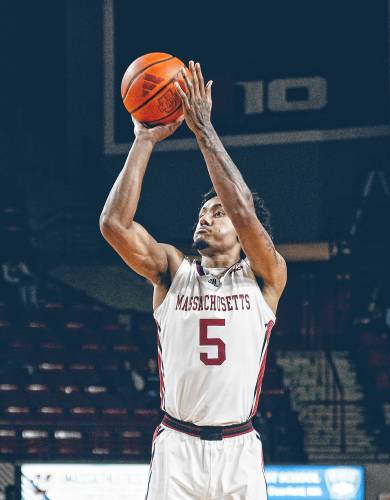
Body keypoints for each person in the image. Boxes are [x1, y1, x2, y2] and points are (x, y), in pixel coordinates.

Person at [100, 61, 287, 499]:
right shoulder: (172, 270)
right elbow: (113, 224)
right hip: (177, 446)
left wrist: (203, 129)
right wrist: (144, 141)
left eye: (216, 212)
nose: (206, 216)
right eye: (202, 213)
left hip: (238, 448)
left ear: (243, 234)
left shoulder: (266, 275)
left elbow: (242, 209)